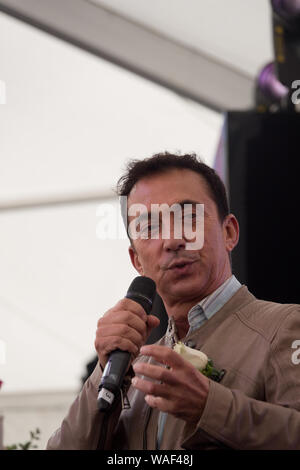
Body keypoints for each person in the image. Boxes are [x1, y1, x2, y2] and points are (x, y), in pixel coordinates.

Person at [47, 152, 300, 450]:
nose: (172, 241)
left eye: (189, 218)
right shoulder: (136, 364)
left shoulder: (286, 327)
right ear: (136, 261)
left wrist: (210, 406)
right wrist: (104, 371)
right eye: (150, 228)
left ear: (229, 232)